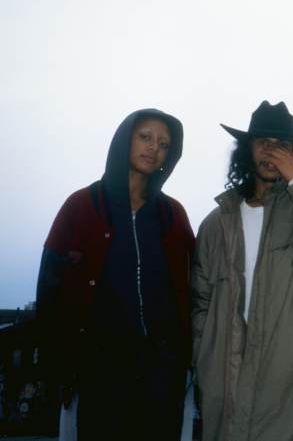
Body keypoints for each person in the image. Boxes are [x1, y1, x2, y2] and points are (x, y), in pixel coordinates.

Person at [191, 100, 293, 441]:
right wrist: (204, 360)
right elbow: (200, 301)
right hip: (226, 382)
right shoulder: (216, 223)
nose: (271, 151)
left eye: (282, 145)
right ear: (247, 150)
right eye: (263, 142)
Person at [36, 109, 194, 441]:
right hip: (101, 366)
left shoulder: (172, 214)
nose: (154, 148)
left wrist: (184, 357)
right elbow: (51, 288)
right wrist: (58, 365)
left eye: (164, 144)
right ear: (125, 140)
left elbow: (192, 286)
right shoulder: (81, 205)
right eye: (145, 137)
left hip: (162, 368)